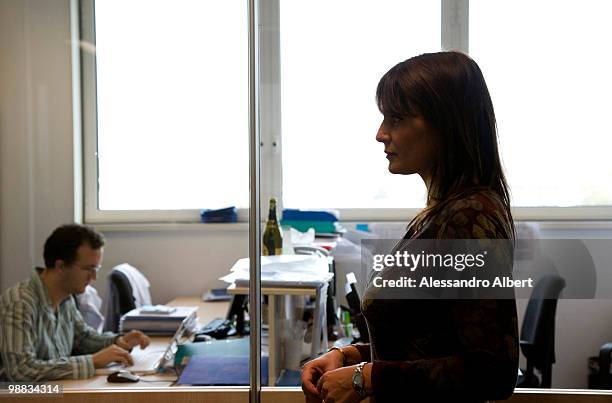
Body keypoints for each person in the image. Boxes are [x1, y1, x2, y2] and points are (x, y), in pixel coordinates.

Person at [301, 51, 519, 402]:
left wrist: (366, 378)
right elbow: (425, 340)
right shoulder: (443, 211)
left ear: (445, 124)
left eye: (397, 119)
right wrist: (351, 356)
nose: (381, 133)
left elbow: (492, 371)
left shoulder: (470, 217)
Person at [0, 224, 151, 381]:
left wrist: (119, 341)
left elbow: (83, 338)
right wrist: (92, 362)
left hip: (55, 392)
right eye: (88, 269)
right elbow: (21, 371)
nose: (94, 277)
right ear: (60, 266)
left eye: (96, 269)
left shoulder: (66, 298)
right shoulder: (19, 303)